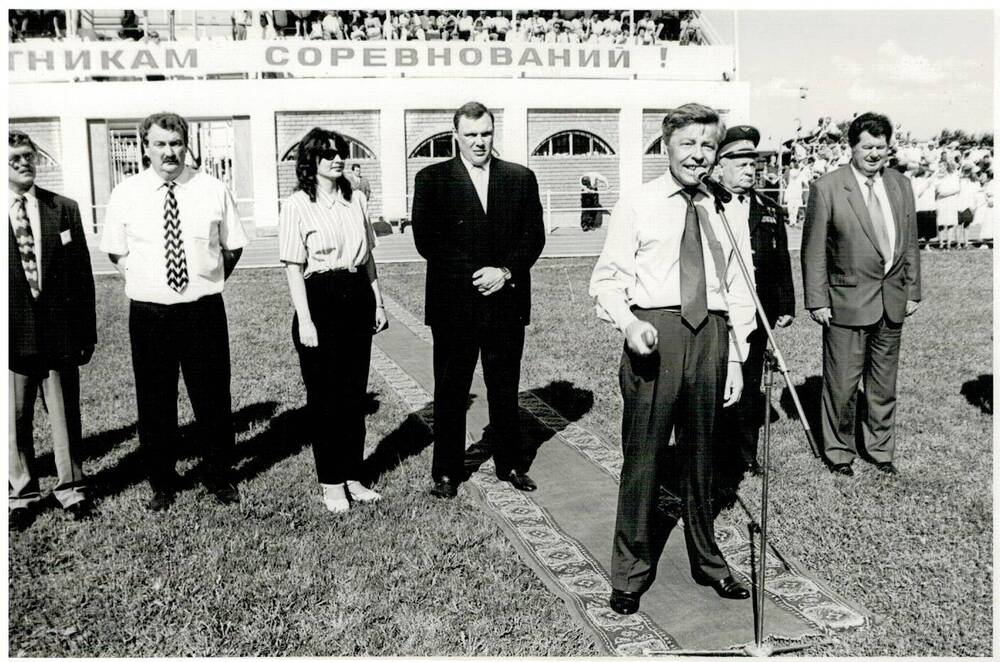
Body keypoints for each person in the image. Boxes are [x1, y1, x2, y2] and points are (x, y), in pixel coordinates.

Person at [590, 103, 757, 615]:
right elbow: (607, 280)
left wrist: (734, 358)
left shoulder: (723, 206)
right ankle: (630, 571)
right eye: (688, 144)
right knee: (644, 458)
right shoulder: (638, 203)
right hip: (655, 335)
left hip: (712, 335)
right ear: (666, 147)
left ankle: (708, 561)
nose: (698, 154)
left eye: (708, 145)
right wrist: (630, 323)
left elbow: (739, 286)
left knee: (703, 458)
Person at [100, 112, 250, 511]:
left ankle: (219, 475)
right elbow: (116, 249)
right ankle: (162, 481)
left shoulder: (212, 189)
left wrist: (207, 280)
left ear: (187, 145)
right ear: (144, 147)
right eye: (160, 144)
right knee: (155, 400)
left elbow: (232, 247)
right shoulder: (126, 193)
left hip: (203, 311)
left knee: (213, 397)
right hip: (150, 313)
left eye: (176, 143)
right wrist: (145, 281)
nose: (169, 152)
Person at [411, 101, 545, 499]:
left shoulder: (520, 178)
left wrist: (503, 272)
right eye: (470, 135)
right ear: (456, 136)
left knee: (505, 386)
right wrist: (479, 274)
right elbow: (428, 241)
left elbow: (533, 236)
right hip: (455, 305)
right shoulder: (432, 179)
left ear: (493, 132)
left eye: (485, 133)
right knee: (451, 390)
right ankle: (448, 472)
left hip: (506, 302)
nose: (479, 142)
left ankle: (510, 462)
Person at [801, 112, 921, 477]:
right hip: (845, 304)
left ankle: (880, 451)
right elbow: (814, 250)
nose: (873, 154)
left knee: (884, 384)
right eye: (866, 147)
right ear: (851, 147)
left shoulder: (900, 184)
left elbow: (909, 241)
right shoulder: (828, 187)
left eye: (880, 147)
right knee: (842, 385)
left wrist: (913, 289)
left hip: (892, 301)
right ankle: (839, 452)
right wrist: (817, 300)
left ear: (889, 149)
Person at [279, 128, 388, 513]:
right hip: (319, 300)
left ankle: (353, 476)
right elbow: (294, 268)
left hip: (357, 294)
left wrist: (378, 303)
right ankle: (330, 482)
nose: (337, 159)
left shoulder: (356, 199)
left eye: (341, 152)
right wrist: (305, 321)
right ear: (311, 162)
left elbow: (369, 257)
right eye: (328, 154)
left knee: (354, 394)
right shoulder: (296, 205)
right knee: (326, 398)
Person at [9, 130, 97, 530]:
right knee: (14, 418)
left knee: (65, 415)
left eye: (29, 156)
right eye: (14, 158)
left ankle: (72, 488)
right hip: (11, 336)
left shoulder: (63, 208)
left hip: (60, 334)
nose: (24, 163)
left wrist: (86, 332)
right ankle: (20, 494)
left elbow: (81, 275)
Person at [713, 126, 795, 492]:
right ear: (721, 165)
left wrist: (786, 303)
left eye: (753, 165)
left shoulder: (768, 209)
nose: (749, 171)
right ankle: (711, 453)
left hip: (757, 312)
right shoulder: (707, 203)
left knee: (749, 384)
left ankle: (744, 454)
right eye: (741, 164)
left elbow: (781, 262)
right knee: (715, 382)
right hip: (718, 309)